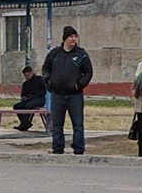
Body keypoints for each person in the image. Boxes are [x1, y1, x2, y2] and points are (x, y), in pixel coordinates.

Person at [40, 25, 94, 155]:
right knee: (57, 125)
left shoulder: (81, 54)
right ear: (65, 38)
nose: (73, 39)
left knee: (78, 125)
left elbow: (88, 72)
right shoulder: (54, 53)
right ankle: (58, 149)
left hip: (74, 95)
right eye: (71, 37)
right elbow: (45, 68)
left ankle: (78, 149)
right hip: (57, 95)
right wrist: (49, 82)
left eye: (75, 37)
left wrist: (79, 85)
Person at [13, 65, 47, 131]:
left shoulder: (39, 79)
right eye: (25, 76)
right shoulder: (25, 83)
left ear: (31, 73)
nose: (26, 77)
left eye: (27, 75)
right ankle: (25, 123)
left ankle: (24, 124)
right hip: (28, 100)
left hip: (39, 99)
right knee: (17, 106)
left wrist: (34, 96)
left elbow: (44, 90)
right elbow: (23, 94)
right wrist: (24, 97)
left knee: (28, 106)